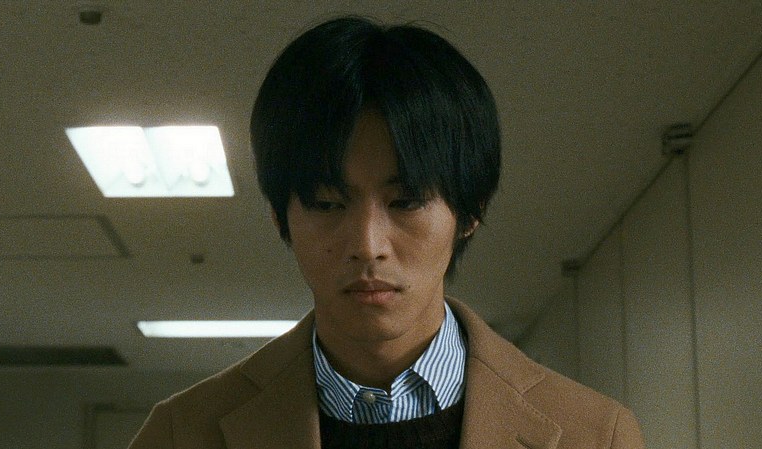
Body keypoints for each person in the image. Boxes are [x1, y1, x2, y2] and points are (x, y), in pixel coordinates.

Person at [128, 16, 645, 449]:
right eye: (327, 203)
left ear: (470, 212)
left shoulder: (595, 435)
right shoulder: (180, 434)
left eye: (406, 201)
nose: (367, 245)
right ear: (279, 216)